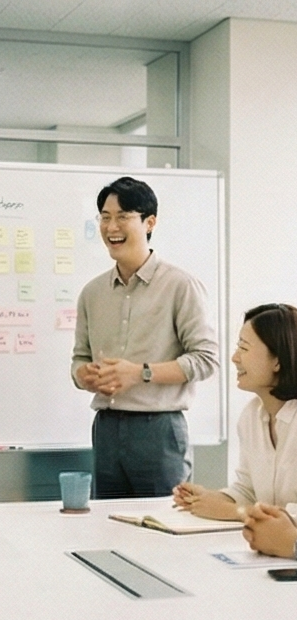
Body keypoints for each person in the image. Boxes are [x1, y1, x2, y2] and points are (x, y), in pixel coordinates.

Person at [71, 176, 218, 499]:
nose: (111, 227)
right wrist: (83, 375)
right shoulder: (92, 293)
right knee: (107, 522)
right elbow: (79, 357)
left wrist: (140, 373)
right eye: (105, 217)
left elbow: (206, 360)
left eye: (123, 216)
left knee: (163, 522)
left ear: (150, 222)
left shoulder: (180, 286)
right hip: (106, 428)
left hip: (159, 429)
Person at [174, 303, 297, 520]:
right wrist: (210, 498)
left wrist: (236, 512)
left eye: (244, 348)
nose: (235, 358)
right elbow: (247, 491)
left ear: (278, 360)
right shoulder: (251, 415)